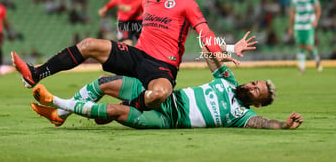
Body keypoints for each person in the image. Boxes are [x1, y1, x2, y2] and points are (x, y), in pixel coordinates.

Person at [12, 0, 237, 112]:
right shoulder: (147, 1)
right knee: (89, 44)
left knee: (160, 95)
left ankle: (120, 109)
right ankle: (36, 74)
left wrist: (222, 49)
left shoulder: (186, 2)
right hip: (137, 56)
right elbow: (134, 21)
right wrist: (123, 29)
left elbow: (204, 33)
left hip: (162, 67)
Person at [29, 35, 303, 130]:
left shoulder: (242, 116)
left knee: (114, 111)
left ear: (259, 103)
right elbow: (205, 49)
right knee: (103, 82)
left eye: (258, 91)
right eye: (255, 82)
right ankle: (61, 115)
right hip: (166, 95)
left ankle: (56, 103)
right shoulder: (227, 80)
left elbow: (267, 124)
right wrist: (229, 47)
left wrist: (285, 125)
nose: (253, 85)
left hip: (166, 119)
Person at [288, 0, 322, 73]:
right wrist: (290, 27)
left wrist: (316, 20)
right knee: (300, 46)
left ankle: (317, 60)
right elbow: (292, 12)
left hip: (308, 24)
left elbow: (318, 8)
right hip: (298, 25)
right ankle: (302, 68)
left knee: (309, 46)